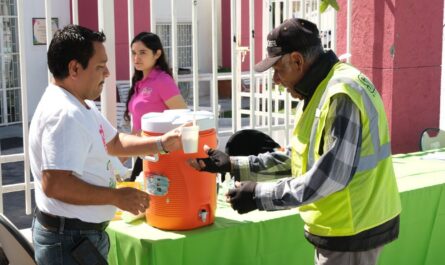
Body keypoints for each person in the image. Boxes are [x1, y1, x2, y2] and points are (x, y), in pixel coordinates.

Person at [190, 18, 401, 265]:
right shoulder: (319, 91)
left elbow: (330, 177)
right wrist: (234, 165)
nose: (275, 81)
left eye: (278, 70)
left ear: (298, 60)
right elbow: (297, 158)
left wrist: (259, 196)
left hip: (353, 228)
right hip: (344, 225)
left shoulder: (342, 93)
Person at [29, 25, 183, 265]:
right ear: (74, 68)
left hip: (78, 237)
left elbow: (114, 141)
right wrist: (116, 197)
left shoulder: (80, 104)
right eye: (100, 66)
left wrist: (161, 143)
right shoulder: (64, 113)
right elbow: (56, 184)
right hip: (69, 240)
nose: (108, 73)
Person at [124, 32, 187, 181]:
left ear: (157, 54)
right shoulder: (140, 83)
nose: (136, 58)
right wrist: (118, 158)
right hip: (146, 152)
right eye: (134, 53)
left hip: (162, 154)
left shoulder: (162, 80)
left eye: (142, 53)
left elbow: (184, 116)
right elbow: (137, 128)